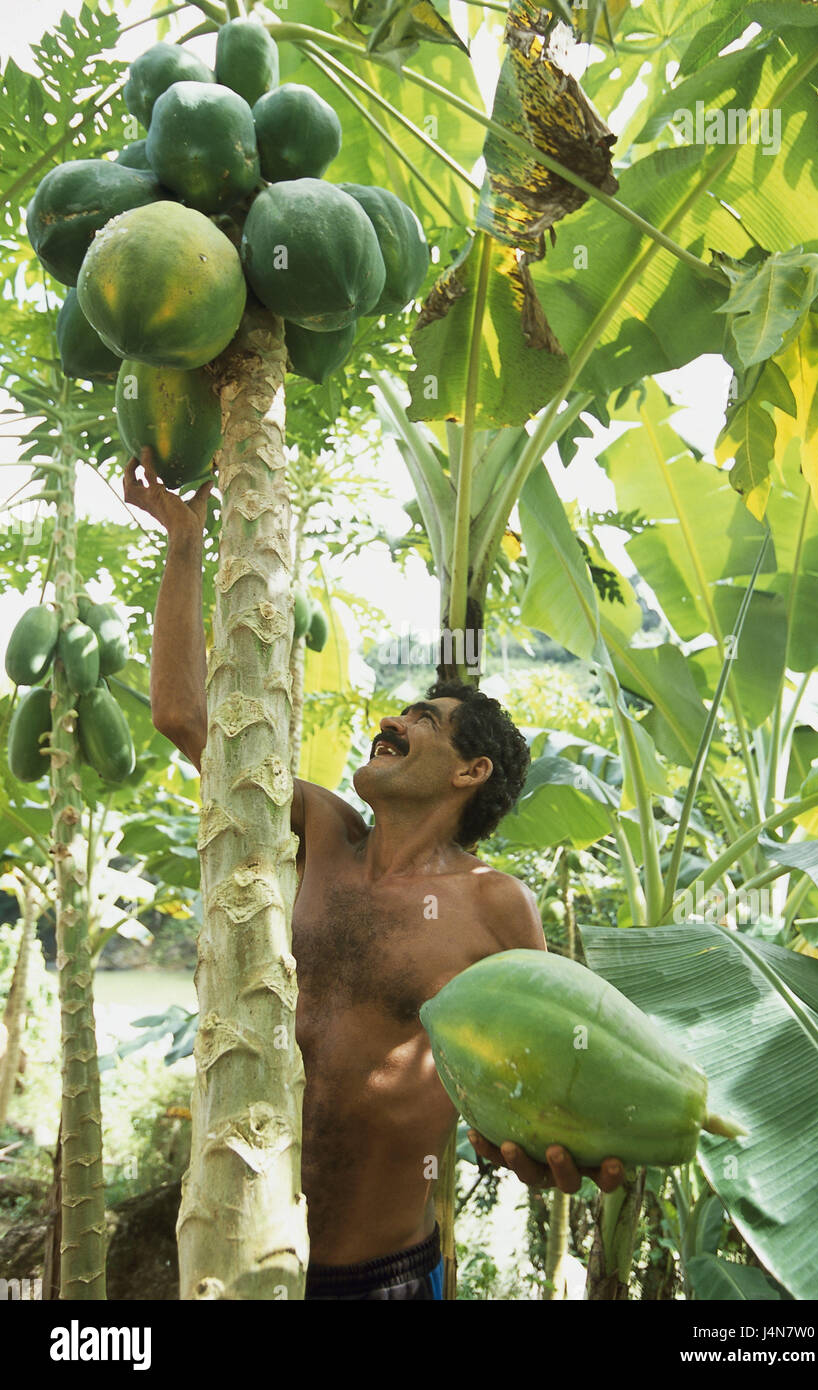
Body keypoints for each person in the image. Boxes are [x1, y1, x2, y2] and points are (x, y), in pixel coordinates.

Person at [124, 448, 624, 1302]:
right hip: (242, 1264)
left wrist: (543, 1157)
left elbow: (547, 1079)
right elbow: (182, 716)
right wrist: (183, 547)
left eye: (422, 720)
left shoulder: (494, 905)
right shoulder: (322, 830)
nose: (390, 720)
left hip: (382, 1277)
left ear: (471, 773)